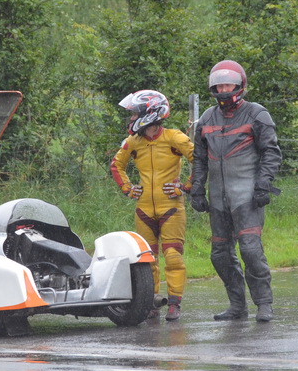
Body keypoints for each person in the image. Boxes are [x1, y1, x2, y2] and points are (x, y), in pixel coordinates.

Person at [189, 60, 282, 322]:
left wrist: (263, 183)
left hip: (248, 197)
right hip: (218, 199)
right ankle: (237, 306)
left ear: (240, 85)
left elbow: (271, 153)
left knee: (251, 250)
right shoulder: (206, 118)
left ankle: (264, 304)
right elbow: (199, 158)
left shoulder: (257, 114)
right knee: (219, 254)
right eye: (218, 84)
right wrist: (197, 189)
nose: (223, 88)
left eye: (227, 83)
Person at [111, 90, 195, 321]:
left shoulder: (175, 137)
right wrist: (128, 189)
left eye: (134, 113)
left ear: (150, 113)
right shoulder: (133, 142)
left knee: (173, 256)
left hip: (172, 208)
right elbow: (116, 166)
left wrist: (185, 187)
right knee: (148, 259)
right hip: (144, 208)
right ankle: (151, 302)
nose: (131, 119)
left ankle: (174, 303)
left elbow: (200, 159)